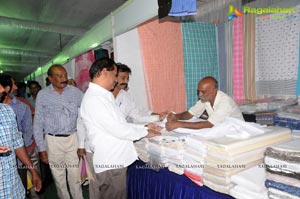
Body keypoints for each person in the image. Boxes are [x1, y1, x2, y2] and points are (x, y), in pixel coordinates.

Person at [79, 57, 161, 199]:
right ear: (104, 72)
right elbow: (118, 129)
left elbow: (123, 122)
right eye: (115, 74)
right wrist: (145, 131)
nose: (116, 80)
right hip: (111, 159)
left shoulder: (102, 96)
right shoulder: (95, 99)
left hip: (114, 158)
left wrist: (147, 125)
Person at [33, 64, 83, 199]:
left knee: (75, 176)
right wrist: (41, 149)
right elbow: (38, 123)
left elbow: (86, 112)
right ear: (50, 78)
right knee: (59, 177)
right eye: (60, 76)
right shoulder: (43, 95)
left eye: (65, 75)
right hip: (53, 141)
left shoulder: (75, 92)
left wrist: (83, 143)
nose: (64, 78)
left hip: (72, 138)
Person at [0, 82, 42, 199]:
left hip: (14, 188)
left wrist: (33, 171)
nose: (3, 89)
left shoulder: (7, 111)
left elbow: (18, 143)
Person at [166, 76, 244, 131]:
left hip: (237, 132)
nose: (200, 95)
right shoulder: (205, 98)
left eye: (203, 92)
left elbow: (208, 124)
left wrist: (179, 124)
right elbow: (190, 114)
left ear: (214, 91)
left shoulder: (226, 103)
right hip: (222, 130)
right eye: (198, 91)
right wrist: (176, 116)